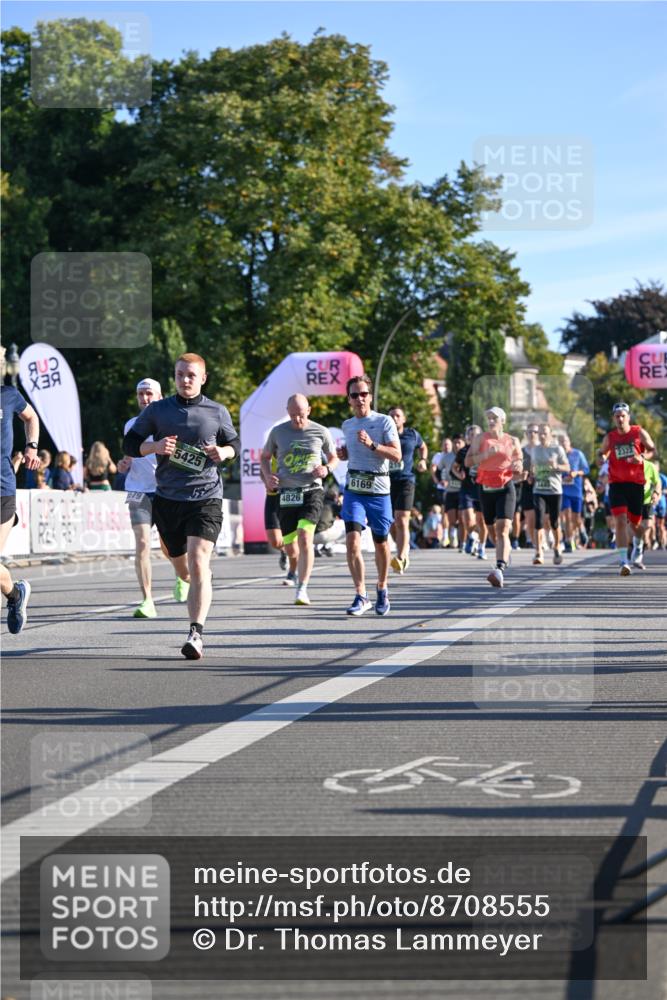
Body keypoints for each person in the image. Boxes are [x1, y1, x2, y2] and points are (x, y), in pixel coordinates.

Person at [123, 352, 240, 658]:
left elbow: (235, 444)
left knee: (199, 559)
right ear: (174, 377)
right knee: (182, 565)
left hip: (206, 498)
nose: (185, 380)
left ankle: (195, 634)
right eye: (180, 375)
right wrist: (155, 446)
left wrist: (224, 453)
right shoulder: (159, 410)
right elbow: (129, 444)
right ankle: (191, 578)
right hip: (168, 499)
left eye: (191, 375)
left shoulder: (217, 411)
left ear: (203, 378)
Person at [119, 377, 191, 619]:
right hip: (138, 490)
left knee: (169, 546)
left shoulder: (170, 423)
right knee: (141, 543)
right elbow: (130, 454)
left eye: (149, 393)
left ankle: (182, 577)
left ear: (160, 396)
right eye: (141, 394)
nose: (145, 398)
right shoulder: (131, 425)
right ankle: (147, 600)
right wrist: (124, 463)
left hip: (166, 491)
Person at [261, 394, 338, 606]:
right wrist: (268, 476)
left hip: (312, 490)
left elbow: (334, 457)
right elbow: (265, 458)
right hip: (287, 493)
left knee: (305, 537)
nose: (297, 420)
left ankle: (302, 588)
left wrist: (327, 468)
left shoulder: (320, 431)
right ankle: (293, 568)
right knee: (291, 548)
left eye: (301, 415)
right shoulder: (278, 432)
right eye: (293, 415)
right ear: (288, 412)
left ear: (309, 411)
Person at [336, 374, 401, 616]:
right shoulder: (347, 425)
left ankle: (382, 587)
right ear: (349, 400)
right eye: (355, 395)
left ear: (370, 396)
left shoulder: (384, 422)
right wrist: (344, 454)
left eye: (364, 394)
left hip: (379, 492)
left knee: (381, 543)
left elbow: (397, 456)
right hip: (354, 490)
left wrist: (373, 445)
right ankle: (361, 594)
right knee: (352, 542)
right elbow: (351, 454)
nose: (360, 398)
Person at [466, 407, 523, 588]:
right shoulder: (479, 440)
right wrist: (485, 455)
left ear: (503, 421)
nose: (491, 421)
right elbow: (467, 462)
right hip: (485, 489)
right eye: (489, 418)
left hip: (506, 487)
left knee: (503, 527)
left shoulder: (512, 441)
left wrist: (519, 465)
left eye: (495, 418)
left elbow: (519, 459)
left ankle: (499, 568)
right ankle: (503, 552)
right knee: (492, 532)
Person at [597, 402, 655, 575]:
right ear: (614, 418)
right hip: (616, 484)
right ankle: (624, 561)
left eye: (623, 416)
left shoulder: (639, 432)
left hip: (636, 484)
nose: (620, 419)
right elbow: (602, 453)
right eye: (617, 416)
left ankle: (638, 543)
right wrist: (601, 457)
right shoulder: (610, 437)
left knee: (636, 525)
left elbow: (652, 450)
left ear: (628, 417)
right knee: (620, 521)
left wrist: (642, 458)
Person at [1, 378, 40, 633]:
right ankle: (15, 595)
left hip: (2, 489)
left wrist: (31, 447)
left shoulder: (8, 394)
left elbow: (31, 418)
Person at [387, 406, 428, 574]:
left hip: (406, 480)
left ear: (403, 419)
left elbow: (423, 446)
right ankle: (402, 547)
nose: (395, 418)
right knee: (391, 522)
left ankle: (402, 556)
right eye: (391, 416)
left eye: (398, 415)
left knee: (402, 518)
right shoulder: (383, 434)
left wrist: (423, 459)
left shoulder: (412, 434)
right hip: (387, 481)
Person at [527, 423, 570, 566]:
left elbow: (567, 467)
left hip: (554, 490)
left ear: (551, 434)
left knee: (554, 522)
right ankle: (538, 552)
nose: (542, 435)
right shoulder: (535, 450)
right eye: (540, 433)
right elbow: (533, 467)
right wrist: (531, 476)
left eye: (545, 433)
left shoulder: (557, 449)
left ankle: (557, 546)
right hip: (538, 489)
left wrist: (556, 466)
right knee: (538, 521)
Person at [452, 425, 482, 556]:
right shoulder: (463, 451)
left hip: (481, 488)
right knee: (468, 519)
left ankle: (478, 541)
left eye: (476, 435)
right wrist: (459, 475)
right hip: (467, 488)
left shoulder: (484, 450)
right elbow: (454, 468)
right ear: (467, 437)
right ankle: (472, 537)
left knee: (482, 521)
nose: (473, 437)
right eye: (471, 435)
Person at [558, 432, 590, 550]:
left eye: (564, 441)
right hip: (563, 490)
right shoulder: (557, 456)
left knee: (576, 517)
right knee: (566, 515)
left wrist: (576, 473)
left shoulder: (578, 454)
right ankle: (568, 541)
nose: (563, 444)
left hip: (576, 490)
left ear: (569, 442)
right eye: (560, 442)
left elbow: (586, 470)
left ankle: (581, 530)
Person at [439, 432, 465, 551]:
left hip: (463, 491)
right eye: (455, 443)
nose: (457, 445)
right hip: (450, 491)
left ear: (463, 443)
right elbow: (437, 471)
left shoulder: (466, 455)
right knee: (452, 519)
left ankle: (462, 543)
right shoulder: (446, 457)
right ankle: (453, 537)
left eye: (459, 442)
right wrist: (441, 481)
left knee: (462, 517)